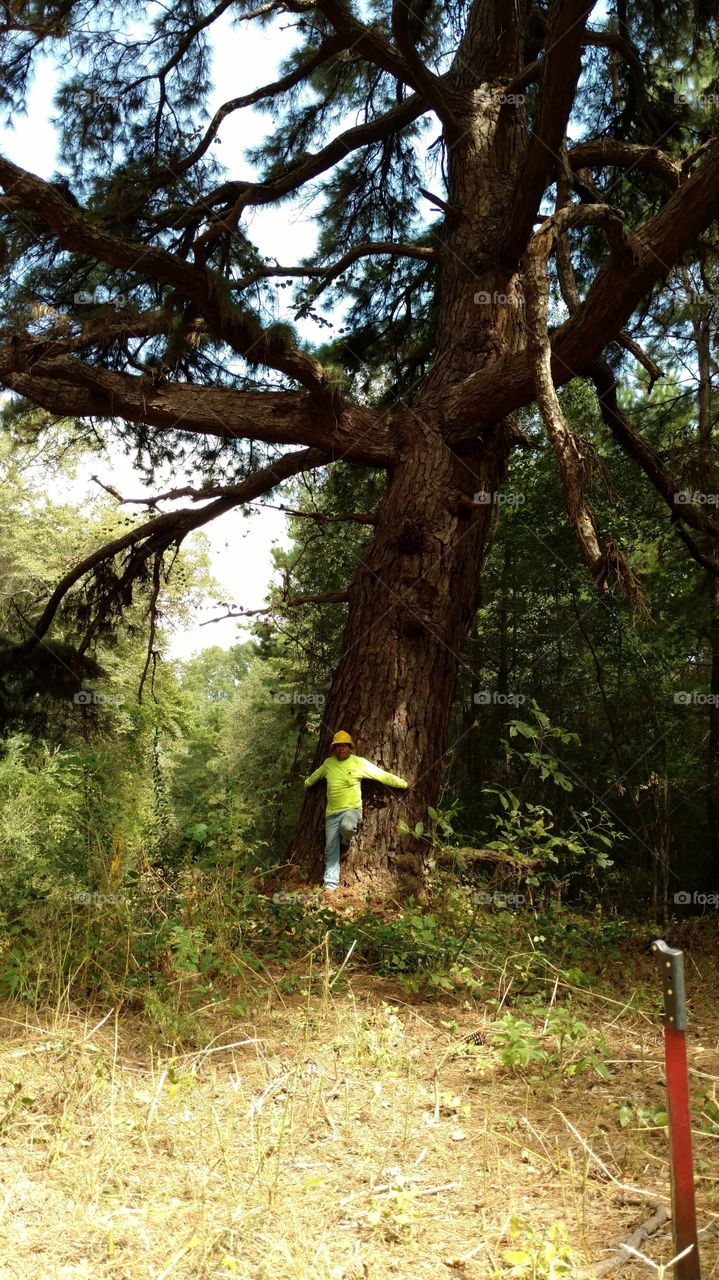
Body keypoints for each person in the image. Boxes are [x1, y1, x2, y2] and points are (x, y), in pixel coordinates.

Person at [304, 730, 409, 890]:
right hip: (331, 814)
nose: (341, 749)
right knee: (330, 849)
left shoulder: (359, 763)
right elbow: (314, 777)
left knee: (347, 827)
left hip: (351, 810)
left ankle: (345, 842)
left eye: (344, 746)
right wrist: (306, 783)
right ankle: (330, 885)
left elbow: (381, 775)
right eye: (338, 746)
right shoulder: (328, 764)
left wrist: (403, 784)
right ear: (334, 748)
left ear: (350, 747)